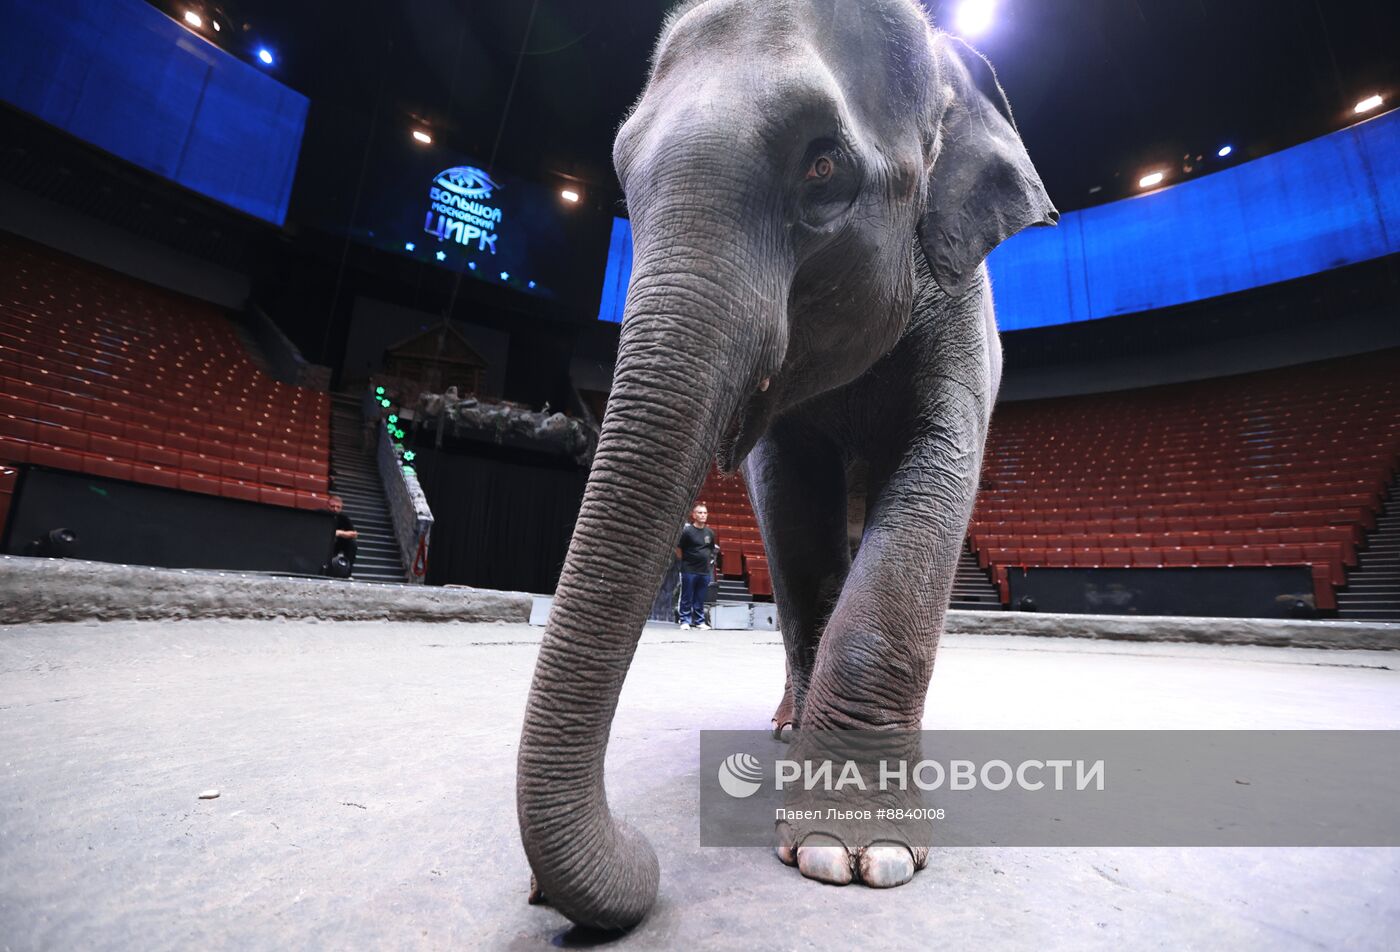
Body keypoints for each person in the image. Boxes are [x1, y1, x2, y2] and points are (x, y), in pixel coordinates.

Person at [675, 502, 719, 630]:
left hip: (704, 571)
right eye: (700, 512)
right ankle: (684, 620)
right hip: (689, 569)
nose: (703, 515)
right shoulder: (687, 531)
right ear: (693, 515)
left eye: (705, 513)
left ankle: (699, 621)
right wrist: (685, 561)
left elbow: (710, 549)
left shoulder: (709, 532)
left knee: (700, 597)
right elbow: (678, 548)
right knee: (686, 596)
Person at [326, 495, 358, 578]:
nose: (335, 509)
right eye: (332, 506)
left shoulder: (343, 518)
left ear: (341, 508)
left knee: (352, 544)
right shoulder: (320, 514)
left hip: (337, 544)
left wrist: (340, 533)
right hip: (322, 543)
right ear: (327, 505)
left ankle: (347, 574)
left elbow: (354, 534)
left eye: (338, 507)